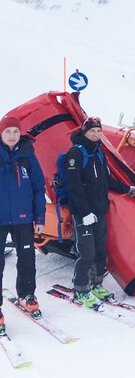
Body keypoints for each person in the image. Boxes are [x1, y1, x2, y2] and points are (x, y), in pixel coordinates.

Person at [65, 117, 135, 308]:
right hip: (84, 213)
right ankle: (80, 288)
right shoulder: (76, 153)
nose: (95, 135)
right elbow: (74, 187)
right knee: (86, 252)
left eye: (98, 131)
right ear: (85, 132)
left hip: (99, 210)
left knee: (100, 250)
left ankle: (96, 284)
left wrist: (127, 189)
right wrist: (84, 212)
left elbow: (106, 180)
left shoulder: (98, 152)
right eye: (92, 131)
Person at [0, 115, 46, 330]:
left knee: (27, 259)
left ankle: (26, 294)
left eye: (15, 131)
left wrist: (40, 218)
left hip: (24, 219)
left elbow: (38, 188)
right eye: (7, 131)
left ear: (20, 134)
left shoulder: (28, 156)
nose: (12, 135)